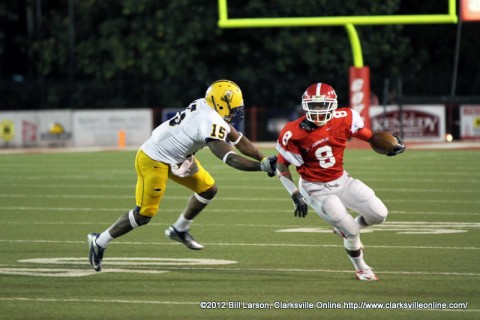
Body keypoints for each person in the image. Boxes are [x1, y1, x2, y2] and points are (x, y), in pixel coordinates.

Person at [87, 79, 277, 272]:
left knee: (208, 189)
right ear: (220, 104)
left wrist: (267, 160)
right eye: (234, 108)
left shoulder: (207, 106)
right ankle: (99, 241)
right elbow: (230, 158)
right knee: (145, 214)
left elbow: (241, 141)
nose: (237, 112)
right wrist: (261, 167)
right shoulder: (210, 120)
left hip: (179, 158)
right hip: (155, 158)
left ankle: (179, 229)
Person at [275, 82, 405, 281]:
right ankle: (362, 268)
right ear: (305, 105)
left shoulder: (344, 119)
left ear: (333, 105)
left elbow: (370, 137)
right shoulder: (293, 132)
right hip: (315, 188)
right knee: (352, 233)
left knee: (379, 214)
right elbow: (282, 165)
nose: (318, 111)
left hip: (342, 180)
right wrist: (295, 194)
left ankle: (344, 228)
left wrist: (389, 144)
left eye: (322, 105)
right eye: (314, 105)